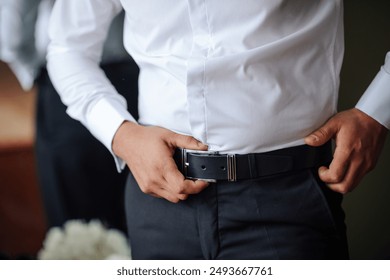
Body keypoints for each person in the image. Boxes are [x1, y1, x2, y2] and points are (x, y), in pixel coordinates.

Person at [47, 0, 389, 259]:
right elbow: (67, 47)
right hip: (159, 203)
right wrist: (121, 134)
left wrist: (376, 112)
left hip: (286, 198)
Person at [0, 0, 139, 233]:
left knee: (74, 228)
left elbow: (13, 33)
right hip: (137, 82)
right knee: (134, 215)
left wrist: (34, 69)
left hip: (66, 84)